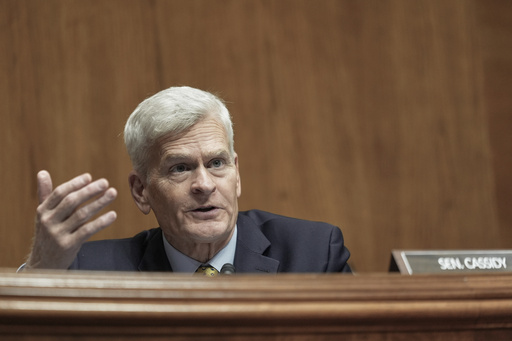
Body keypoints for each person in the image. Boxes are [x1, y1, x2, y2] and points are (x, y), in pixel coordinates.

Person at [23, 86, 351, 274]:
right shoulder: (88, 270)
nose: (204, 184)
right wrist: (41, 268)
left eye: (217, 163)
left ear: (237, 175)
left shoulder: (314, 253)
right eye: (180, 168)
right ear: (141, 191)